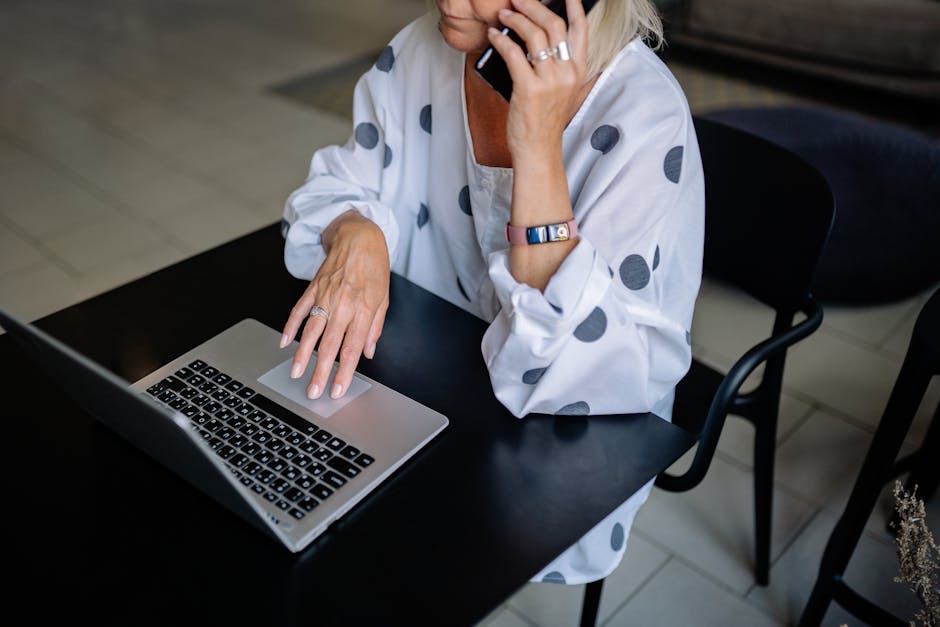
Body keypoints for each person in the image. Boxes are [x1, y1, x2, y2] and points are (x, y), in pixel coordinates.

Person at [279, 0, 704, 585]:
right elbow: (342, 182)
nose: (449, 4)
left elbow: (575, 372)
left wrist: (536, 145)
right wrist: (357, 229)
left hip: (556, 446)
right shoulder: (421, 49)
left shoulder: (644, 118)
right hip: (414, 394)